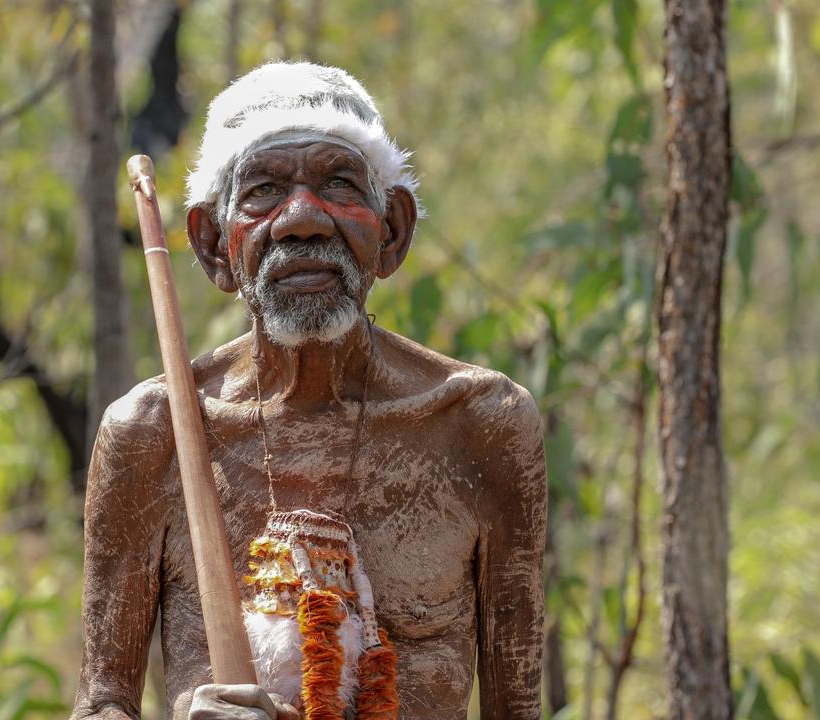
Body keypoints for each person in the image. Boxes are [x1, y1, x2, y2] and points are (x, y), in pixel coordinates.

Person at [71, 62, 547, 720]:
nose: (302, 220)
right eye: (264, 190)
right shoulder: (151, 434)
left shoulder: (481, 425)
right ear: (213, 245)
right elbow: (101, 705)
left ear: (392, 230)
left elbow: (517, 709)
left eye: (339, 184)